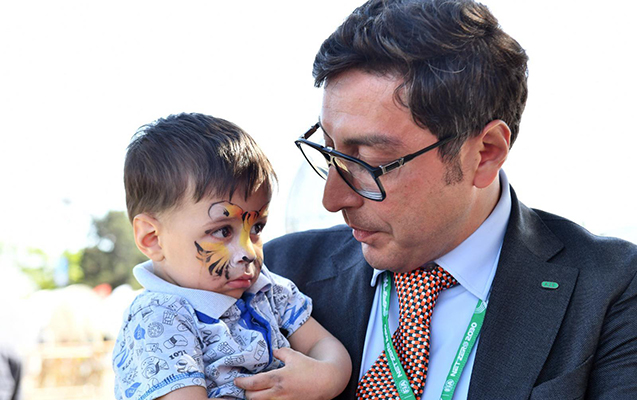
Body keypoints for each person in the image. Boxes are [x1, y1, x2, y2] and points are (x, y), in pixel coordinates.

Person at [251, 0, 637, 399]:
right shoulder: (276, 276)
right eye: (329, 152)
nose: (332, 199)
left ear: (486, 152)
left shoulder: (612, 290)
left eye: (370, 162)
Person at [112, 113, 351, 400]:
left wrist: (324, 377)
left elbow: (322, 345)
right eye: (222, 231)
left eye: (256, 228)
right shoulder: (159, 318)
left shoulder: (267, 291)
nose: (248, 252)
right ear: (152, 239)